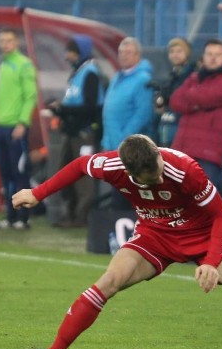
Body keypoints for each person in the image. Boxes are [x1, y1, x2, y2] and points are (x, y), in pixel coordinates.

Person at [14, 134, 222, 349]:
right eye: (153, 175)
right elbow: (79, 165)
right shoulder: (114, 166)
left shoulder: (184, 169)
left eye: (159, 164)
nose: (161, 171)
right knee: (108, 282)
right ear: (131, 175)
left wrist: (211, 261)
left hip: (202, 236)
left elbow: (220, 215)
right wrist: (38, 193)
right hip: (154, 236)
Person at [171, 38, 222, 199]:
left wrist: (192, 99)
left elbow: (207, 96)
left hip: (208, 153)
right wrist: (196, 102)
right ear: (203, 57)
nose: (213, 57)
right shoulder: (195, 77)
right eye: (209, 54)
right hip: (183, 149)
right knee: (180, 200)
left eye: (217, 54)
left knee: (205, 200)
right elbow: (175, 101)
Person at [48, 34, 104, 227]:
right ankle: (69, 214)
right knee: (65, 174)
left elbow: (90, 107)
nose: (68, 56)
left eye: (72, 52)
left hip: (83, 134)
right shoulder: (78, 73)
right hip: (72, 132)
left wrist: (63, 109)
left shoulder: (90, 73)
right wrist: (60, 109)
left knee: (83, 179)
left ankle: (81, 217)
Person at [0, 28, 37, 230]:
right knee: (6, 173)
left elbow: (30, 96)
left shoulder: (24, 64)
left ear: (16, 42)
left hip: (15, 128)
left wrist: (22, 123)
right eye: (2, 40)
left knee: (19, 173)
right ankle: (10, 215)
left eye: (9, 40)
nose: (5, 44)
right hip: (1, 126)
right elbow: (4, 95)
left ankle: (23, 217)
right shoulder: (4, 64)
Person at [100, 37, 154, 209]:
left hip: (129, 147)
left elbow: (143, 113)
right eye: (121, 52)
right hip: (113, 143)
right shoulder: (118, 76)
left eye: (128, 52)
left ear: (138, 55)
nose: (123, 56)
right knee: (118, 187)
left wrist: (125, 139)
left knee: (130, 189)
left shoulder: (143, 79)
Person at [154, 37, 195, 148]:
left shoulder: (192, 76)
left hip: (181, 132)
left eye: (179, 51)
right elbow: (160, 106)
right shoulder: (171, 77)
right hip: (166, 131)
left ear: (186, 53)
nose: (175, 55)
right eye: (172, 52)